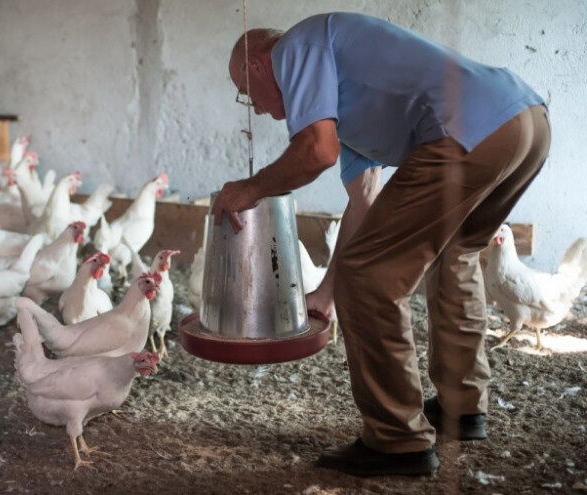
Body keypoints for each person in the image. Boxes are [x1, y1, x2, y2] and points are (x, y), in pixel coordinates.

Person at [213, 12, 548, 477]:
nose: (258, 109)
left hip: (470, 129)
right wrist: (328, 293)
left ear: (255, 65)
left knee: (371, 280)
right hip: (524, 120)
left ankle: (397, 440)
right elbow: (364, 204)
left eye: (247, 94)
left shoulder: (297, 47)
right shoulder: (344, 103)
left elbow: (315, 153)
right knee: (455, 254)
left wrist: (251, 189)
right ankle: (463, 406)